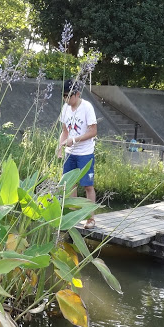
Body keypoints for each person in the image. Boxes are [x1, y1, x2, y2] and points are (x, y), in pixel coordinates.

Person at [58, 79, 97, 228]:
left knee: (87, 186)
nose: (66, 99)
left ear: (77, 94)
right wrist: (60, 147)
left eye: (68, 96)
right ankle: (73, 217)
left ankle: (90, 218)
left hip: (85, 153)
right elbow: (64, 131)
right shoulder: (65, 108)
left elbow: (93, 131)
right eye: (64, 95)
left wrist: (73, 140)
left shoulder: (87, 107)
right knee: (70, 185)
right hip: (70, 153)